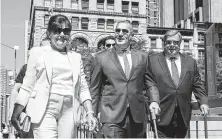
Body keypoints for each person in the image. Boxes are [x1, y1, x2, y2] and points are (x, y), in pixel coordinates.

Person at [11, 14, 97, 138]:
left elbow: (83, 87)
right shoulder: (37, 53)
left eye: (66, 31)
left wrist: (89, 112)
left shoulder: (76, 57)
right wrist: (15, 113)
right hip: (45, 108)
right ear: (49, 33)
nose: (62, 34)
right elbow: (27, 85)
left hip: (69, 109)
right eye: (57, 30)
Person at [90, 20, 160, 138]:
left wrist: (154, 100)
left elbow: (150, 82)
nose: (120, 34)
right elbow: (95, 90)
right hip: (111, 116)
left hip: (137, 116)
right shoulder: (101, 58)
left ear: (131, 35)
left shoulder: (143, 57)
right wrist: (91, 113)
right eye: (117, 31)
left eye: (125, 31)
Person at [146, 30, 209, 138]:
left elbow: (197, 83)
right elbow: (150, 82)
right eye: (169, 42)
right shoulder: (153, 60)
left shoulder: (190, 62)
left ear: (180, 44)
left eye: (175, 42)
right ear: (164, 43)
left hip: (183, 114)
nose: (172, 45)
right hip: (161, 113)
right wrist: (154, 101)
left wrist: (203, 102)